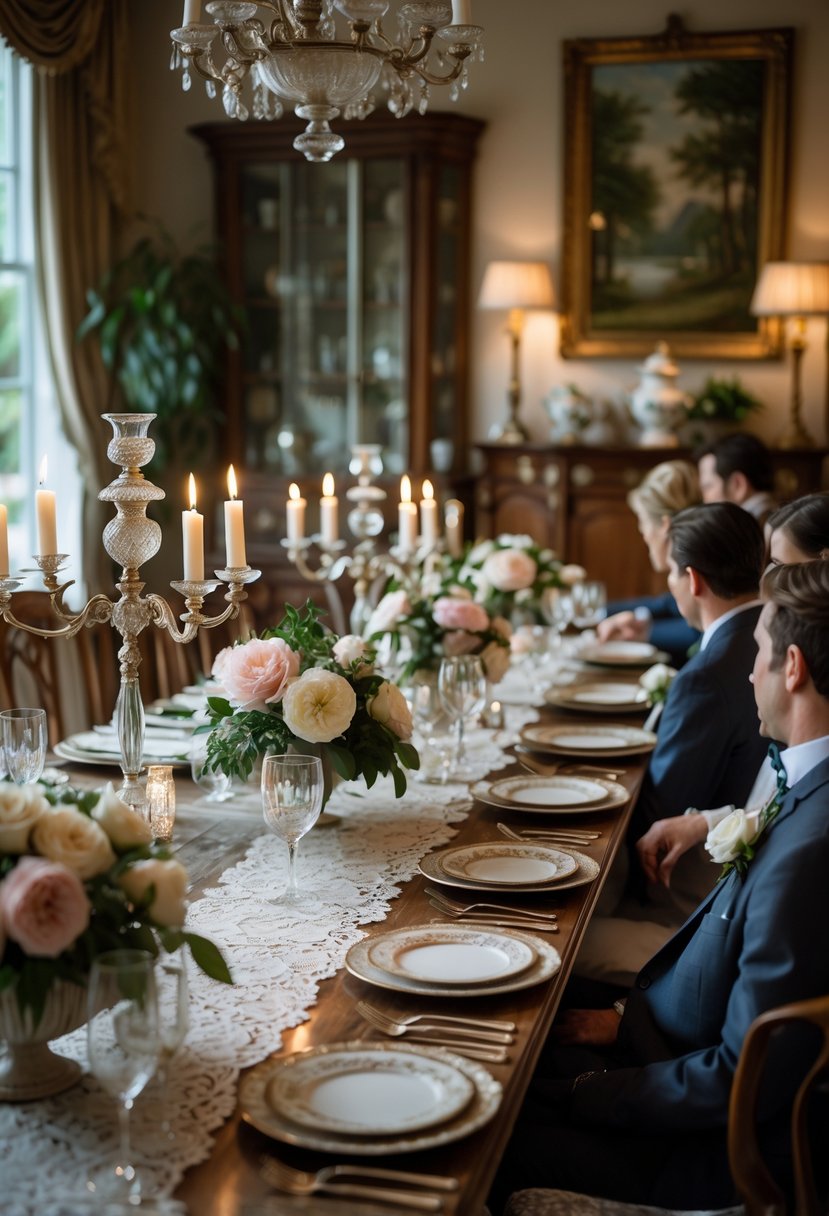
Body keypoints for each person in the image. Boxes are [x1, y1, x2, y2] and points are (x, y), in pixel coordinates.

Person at [490, 560, 829, 1213]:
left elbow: (744, 1076)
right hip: (662, 1042)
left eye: (757, 654)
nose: (748, 675)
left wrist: (590, 1091)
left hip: (699, 1155)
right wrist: (623, 1022)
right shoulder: (808, 786)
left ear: (791, 667)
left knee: (492, 1134)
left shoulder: (809, 852)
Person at [576, 502, 768, 986]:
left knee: (557, 935)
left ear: (693, 579)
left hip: (689, 899)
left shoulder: (709, 674)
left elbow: (658, 811)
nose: (669, 584)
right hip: (733, 866)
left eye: (669, 573)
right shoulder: (764, 637)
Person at [637, 490, 829, 891]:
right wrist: (707, 821)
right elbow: (783, 803)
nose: (767, 581)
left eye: (779, 565)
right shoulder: (760, 640)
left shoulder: (752, 667)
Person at [596, 460, 701, 665]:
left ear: (664, 525)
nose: (642, 532)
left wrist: (643, 634)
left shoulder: (696, 568)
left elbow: (702, 633)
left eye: (642, 520)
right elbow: (668, 604)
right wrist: (600, 613)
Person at [696, 431, 776, 524]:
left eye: (707, 487)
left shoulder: (747, 528)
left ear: (738, 484)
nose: (704, 500)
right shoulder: (781, 518)